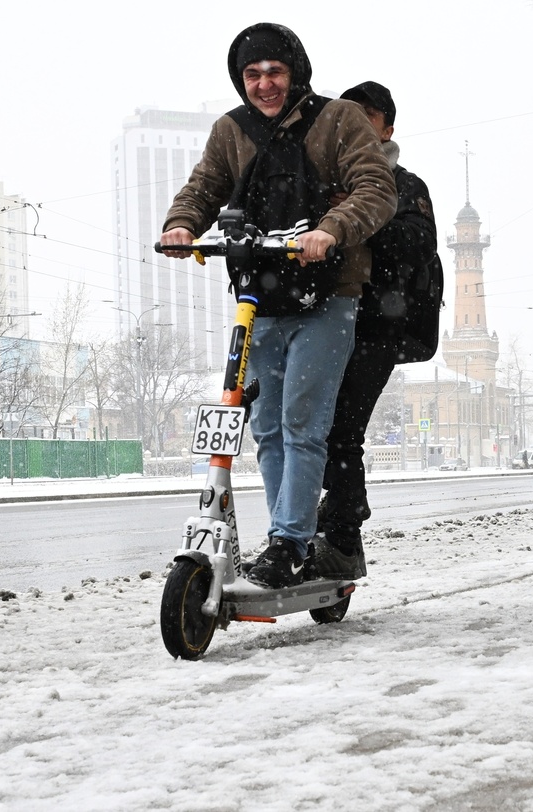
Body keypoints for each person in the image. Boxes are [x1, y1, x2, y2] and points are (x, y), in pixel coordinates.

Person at [159, 23, 396, 589]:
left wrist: (331, 229)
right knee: (266, 426)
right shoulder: (231, 130)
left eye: (275, 72)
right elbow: (204, 185)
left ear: (296, 72)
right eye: (252, 74)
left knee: (302, 423)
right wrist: (182, 223)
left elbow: (376, 187)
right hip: (259, 296)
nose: (264, 84)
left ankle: (289, 541)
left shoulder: (337, 119)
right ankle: (288, 539)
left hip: (327, 294)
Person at [314, 81, 439, 581]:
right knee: (308, 427)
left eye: (368, 116)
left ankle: (343, 534)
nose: (358, 125)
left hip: (376, 328)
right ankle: (322, 524)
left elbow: (418, 244)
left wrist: (360, 216)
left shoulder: (405, 185)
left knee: (342, 429)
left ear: (387, 128)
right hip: (322, 320)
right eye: (348, 115)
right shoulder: (321, 176)